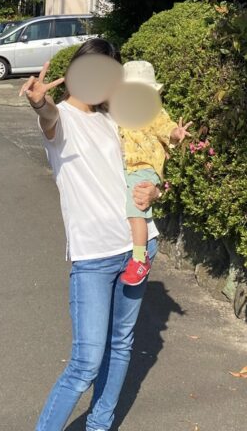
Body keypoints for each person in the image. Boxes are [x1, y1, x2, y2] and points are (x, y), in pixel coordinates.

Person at [21, 38, 162, 431]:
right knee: (85, 362)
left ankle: (99, 426)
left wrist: (156, 190)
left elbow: (144, 167)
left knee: (121, 345)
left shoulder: (113, 120)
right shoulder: (62, 118)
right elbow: (48, 116)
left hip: (139, 245)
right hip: (94, 257)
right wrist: (39, 103)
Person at [118, 59, 191, 287]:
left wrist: (177, 133)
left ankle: (140, 259)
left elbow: (165, 127)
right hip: (128, 166)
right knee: (131, 205)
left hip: (145, 167)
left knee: (135, 208)